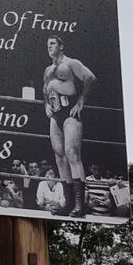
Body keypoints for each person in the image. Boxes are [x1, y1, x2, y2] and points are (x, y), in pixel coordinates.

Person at [42, 35, 96, 217]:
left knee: (72, 153)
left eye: (52, 43)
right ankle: (68, 203)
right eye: (47, 44)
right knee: (59, 156)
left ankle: (80, 206)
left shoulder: (71, 63)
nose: (49, 46)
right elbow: (45, 89)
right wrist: (46, 105)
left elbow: (90, 77)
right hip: (55, 114)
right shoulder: (48, 70)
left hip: (70, 111)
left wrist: (81, 101)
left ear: (61, 46)